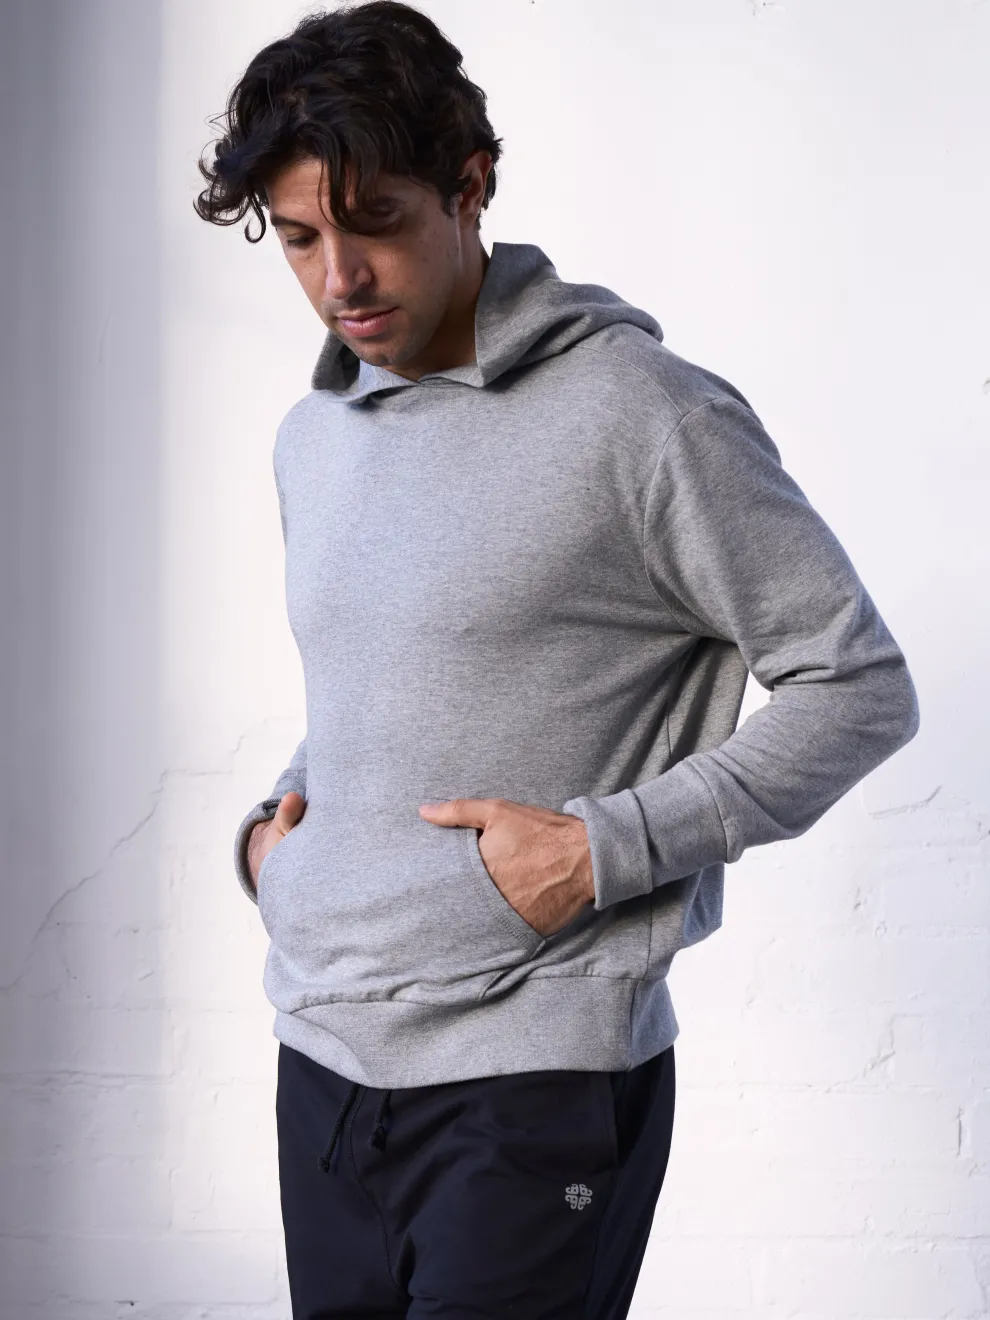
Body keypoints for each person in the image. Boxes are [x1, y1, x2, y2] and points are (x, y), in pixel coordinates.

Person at [195, 3, 920, 1316]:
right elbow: (381, 686)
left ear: (470, 186)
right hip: (321, 1051)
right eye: (299, 239)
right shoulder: (317, 434)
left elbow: (857, 686)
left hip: (533, 1083)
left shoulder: (643, 414)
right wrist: (272, 839)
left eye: (375, 222)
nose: (339, 279)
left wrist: (601, 851)